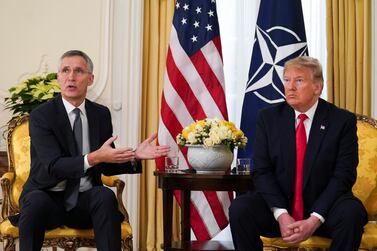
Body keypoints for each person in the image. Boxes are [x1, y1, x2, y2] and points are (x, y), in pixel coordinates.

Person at [10, 50, 170, 251]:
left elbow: (105, 163)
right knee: (34, 201)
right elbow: (53, 165)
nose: (71, 77)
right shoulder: (42, 115)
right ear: (58, 77)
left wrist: (134, 154)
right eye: (65, 71)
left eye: (78, 71)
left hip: (82, 200)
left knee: (104, 196)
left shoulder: (100, 114)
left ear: (90, 79)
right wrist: (93, 158)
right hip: (46, 197)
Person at [229, 56, 367, 251]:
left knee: (352, 213)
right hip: (280, 209)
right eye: (286, 80)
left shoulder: (341, 121)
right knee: (240, 209)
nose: (290, 87)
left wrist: (314, 219)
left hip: (325, 211)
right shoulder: (268, 118)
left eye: (299, 80)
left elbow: (343, 175)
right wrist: (282, 215)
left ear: (317, 87)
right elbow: (262, 171)